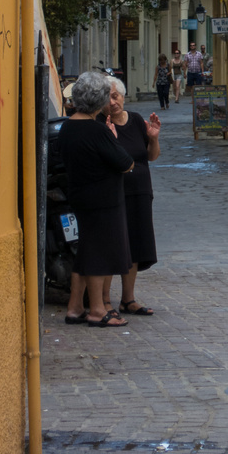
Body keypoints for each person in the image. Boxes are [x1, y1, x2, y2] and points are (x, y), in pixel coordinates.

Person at [57, 71, 134, 328]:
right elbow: (126, 164)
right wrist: (113, 140)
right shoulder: (97, 130)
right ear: (99, 100)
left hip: (80, 196)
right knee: (100, 254)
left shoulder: (67, 126)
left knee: (86, 251)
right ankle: (98, 310)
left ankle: (75, 307)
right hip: (103, 200)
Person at [106, 78, 161, 316]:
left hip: (140, 190)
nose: (113, 101)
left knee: (136, 245)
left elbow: (151, 156)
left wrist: (155, 137)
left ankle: (127, 299)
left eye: (116, 95)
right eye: (107, 97)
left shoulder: (137, 121)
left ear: (124, 96)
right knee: (114, 244)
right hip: (115, 193)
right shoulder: (103, 124)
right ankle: (105, 301)